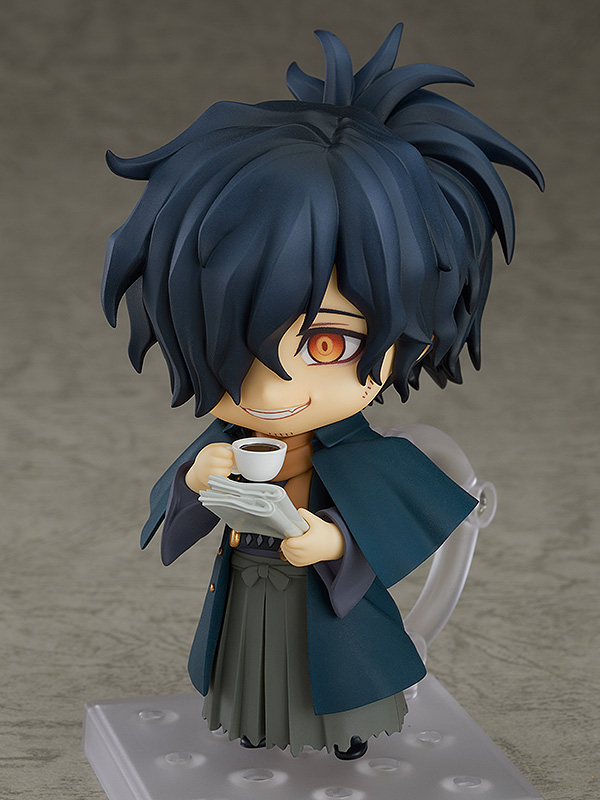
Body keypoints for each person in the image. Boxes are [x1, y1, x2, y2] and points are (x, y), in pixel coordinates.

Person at [101, 24, 543, 758]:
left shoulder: (367, 457)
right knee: (252, 671)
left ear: (411, 332)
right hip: (248, 585)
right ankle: (255, 723)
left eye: (325, 344)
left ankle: (345, 735)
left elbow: (397, 522)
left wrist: (331, 538)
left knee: (336, 674)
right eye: (226, 345)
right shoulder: (229, 437)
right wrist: (196, 478)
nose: (268, 386)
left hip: (324, 599)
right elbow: (176, 512)